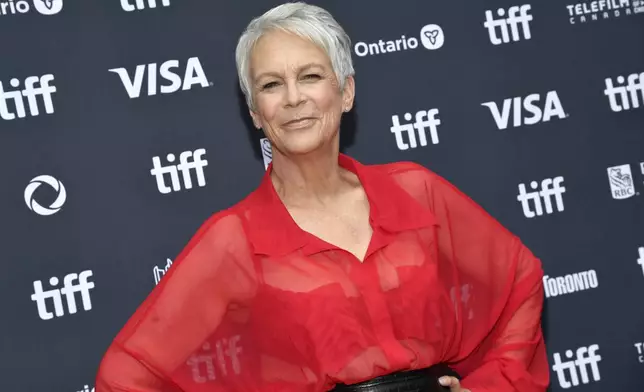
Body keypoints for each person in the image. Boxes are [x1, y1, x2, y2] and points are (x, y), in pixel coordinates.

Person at [95, 2, 550, 391]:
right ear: (255, 112)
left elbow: (519, 280)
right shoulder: (234, 238)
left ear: (345, 91)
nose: (293, 98)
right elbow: (128, 374)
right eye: (271, 85)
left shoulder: (416, 191)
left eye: (310, 76)